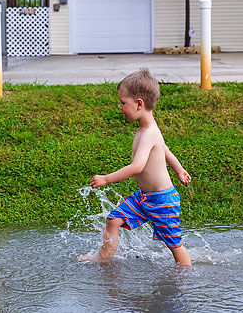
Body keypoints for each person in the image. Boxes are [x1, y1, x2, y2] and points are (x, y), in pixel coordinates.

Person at [79, 68, 192, 266]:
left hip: (162, 200)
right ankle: (103, 258)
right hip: (143, 198)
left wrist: (106, 178)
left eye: (123, 103)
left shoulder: (149, 133)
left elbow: (137, 167)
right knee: (113, 220)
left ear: (139, 104)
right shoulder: (147, 129)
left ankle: (185, 276)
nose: (120, 107)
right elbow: (165, 150)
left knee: (174, 244)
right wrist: (179, 169)